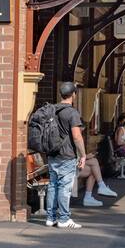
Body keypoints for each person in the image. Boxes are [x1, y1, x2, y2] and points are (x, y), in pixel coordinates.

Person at [42, 82, 89, 229]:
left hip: (52, 154)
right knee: (64, 187)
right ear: (73, 95)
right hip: (67, 154)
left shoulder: (52, 110)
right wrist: (83, 154)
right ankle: (64, 219)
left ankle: (50, 218)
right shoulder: (72, 113)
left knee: (52, 185)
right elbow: (76, 136)